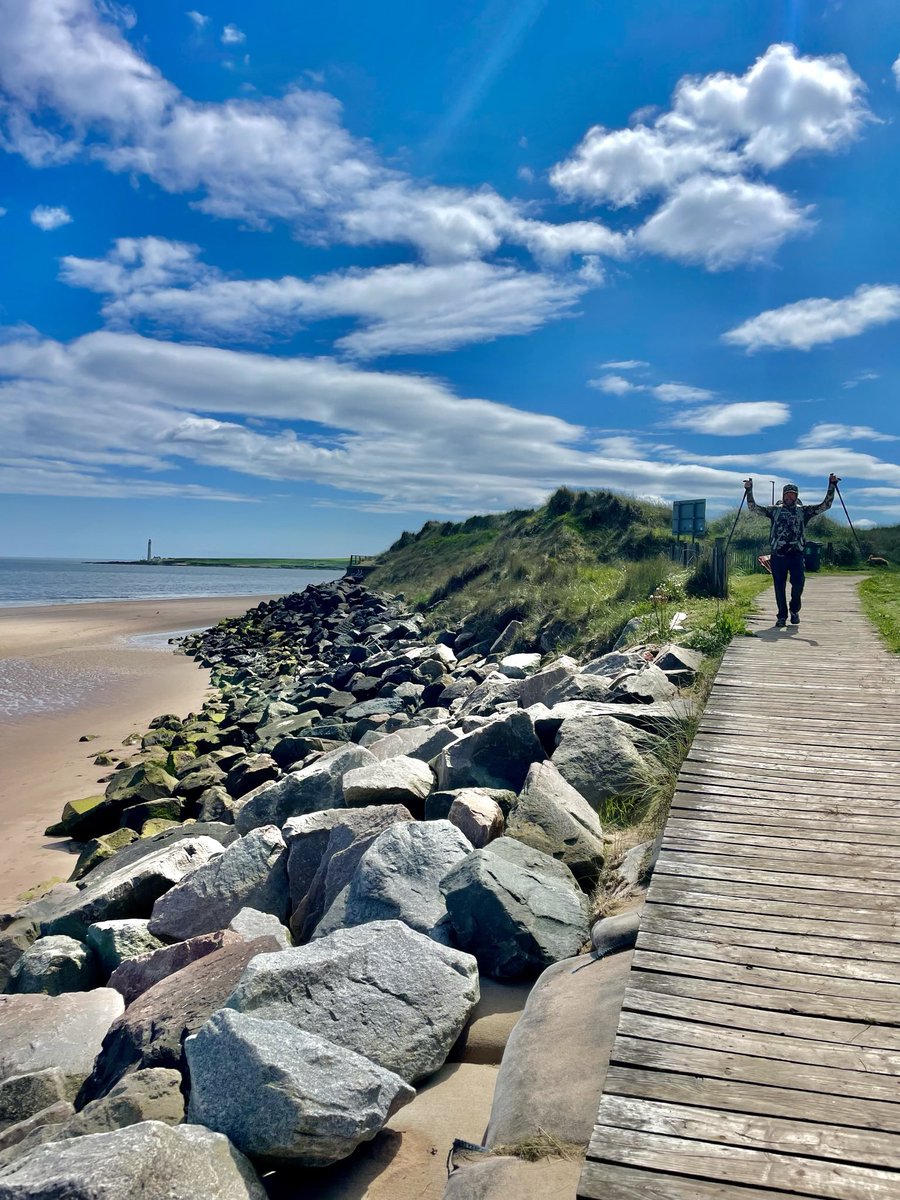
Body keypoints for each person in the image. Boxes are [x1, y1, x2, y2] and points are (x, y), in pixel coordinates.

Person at [743, 474, 840, 627]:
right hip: (778, 555)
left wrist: (831, 486)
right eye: (787, 494)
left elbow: (825, 506)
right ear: (783, 496)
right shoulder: (774, 511)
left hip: (796, 555)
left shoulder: (804, 511)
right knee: (779, 586)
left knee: (799, 584)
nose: (789, 497)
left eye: (792, 495)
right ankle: (782, 616)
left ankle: (794, 610)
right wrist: (749, 490)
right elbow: (753, 508)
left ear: (796, 496)